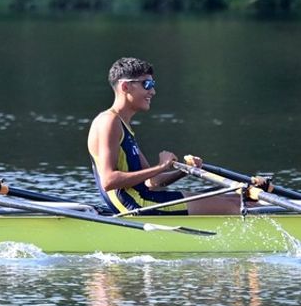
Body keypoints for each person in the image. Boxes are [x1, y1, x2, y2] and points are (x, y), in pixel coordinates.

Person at [87, 57, 242, 215]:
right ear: (125, 86)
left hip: (146, 198)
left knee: (237, 199)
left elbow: (151, 182)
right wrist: (161, 166)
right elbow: (108, 180)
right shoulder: (109, 121)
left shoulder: (123, 125)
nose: (152, 92)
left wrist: (184, 171)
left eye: (153, 85)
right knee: (234, 208)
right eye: (147, 85)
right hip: (136, 205)